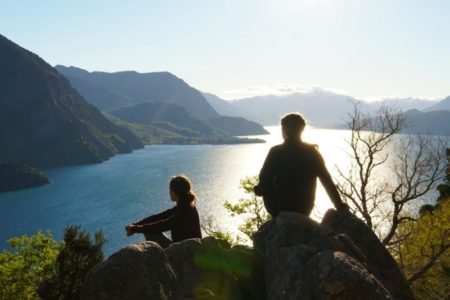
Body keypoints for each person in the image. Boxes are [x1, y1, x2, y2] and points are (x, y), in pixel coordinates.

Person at [254, 113, 349, 217]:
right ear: (302, 130)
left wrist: (258, 189)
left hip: (279, 208)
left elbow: (265, 180)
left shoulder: (276, 152)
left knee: (264, 186)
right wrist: (339, 205)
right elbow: (326, 181)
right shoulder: (312, 152)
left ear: (284, 130)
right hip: (304, 208)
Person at [125, 175, 202, 248]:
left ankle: (158, 259)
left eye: (170, 190)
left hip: (185, 252)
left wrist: (135, 229)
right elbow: (160, 216)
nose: (169, 192)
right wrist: (135, 225)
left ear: (176, 191)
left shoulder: (185, 210)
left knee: (149, 231)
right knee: (147, 228)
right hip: (182, 247)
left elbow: (163, 225)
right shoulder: (184, 205)